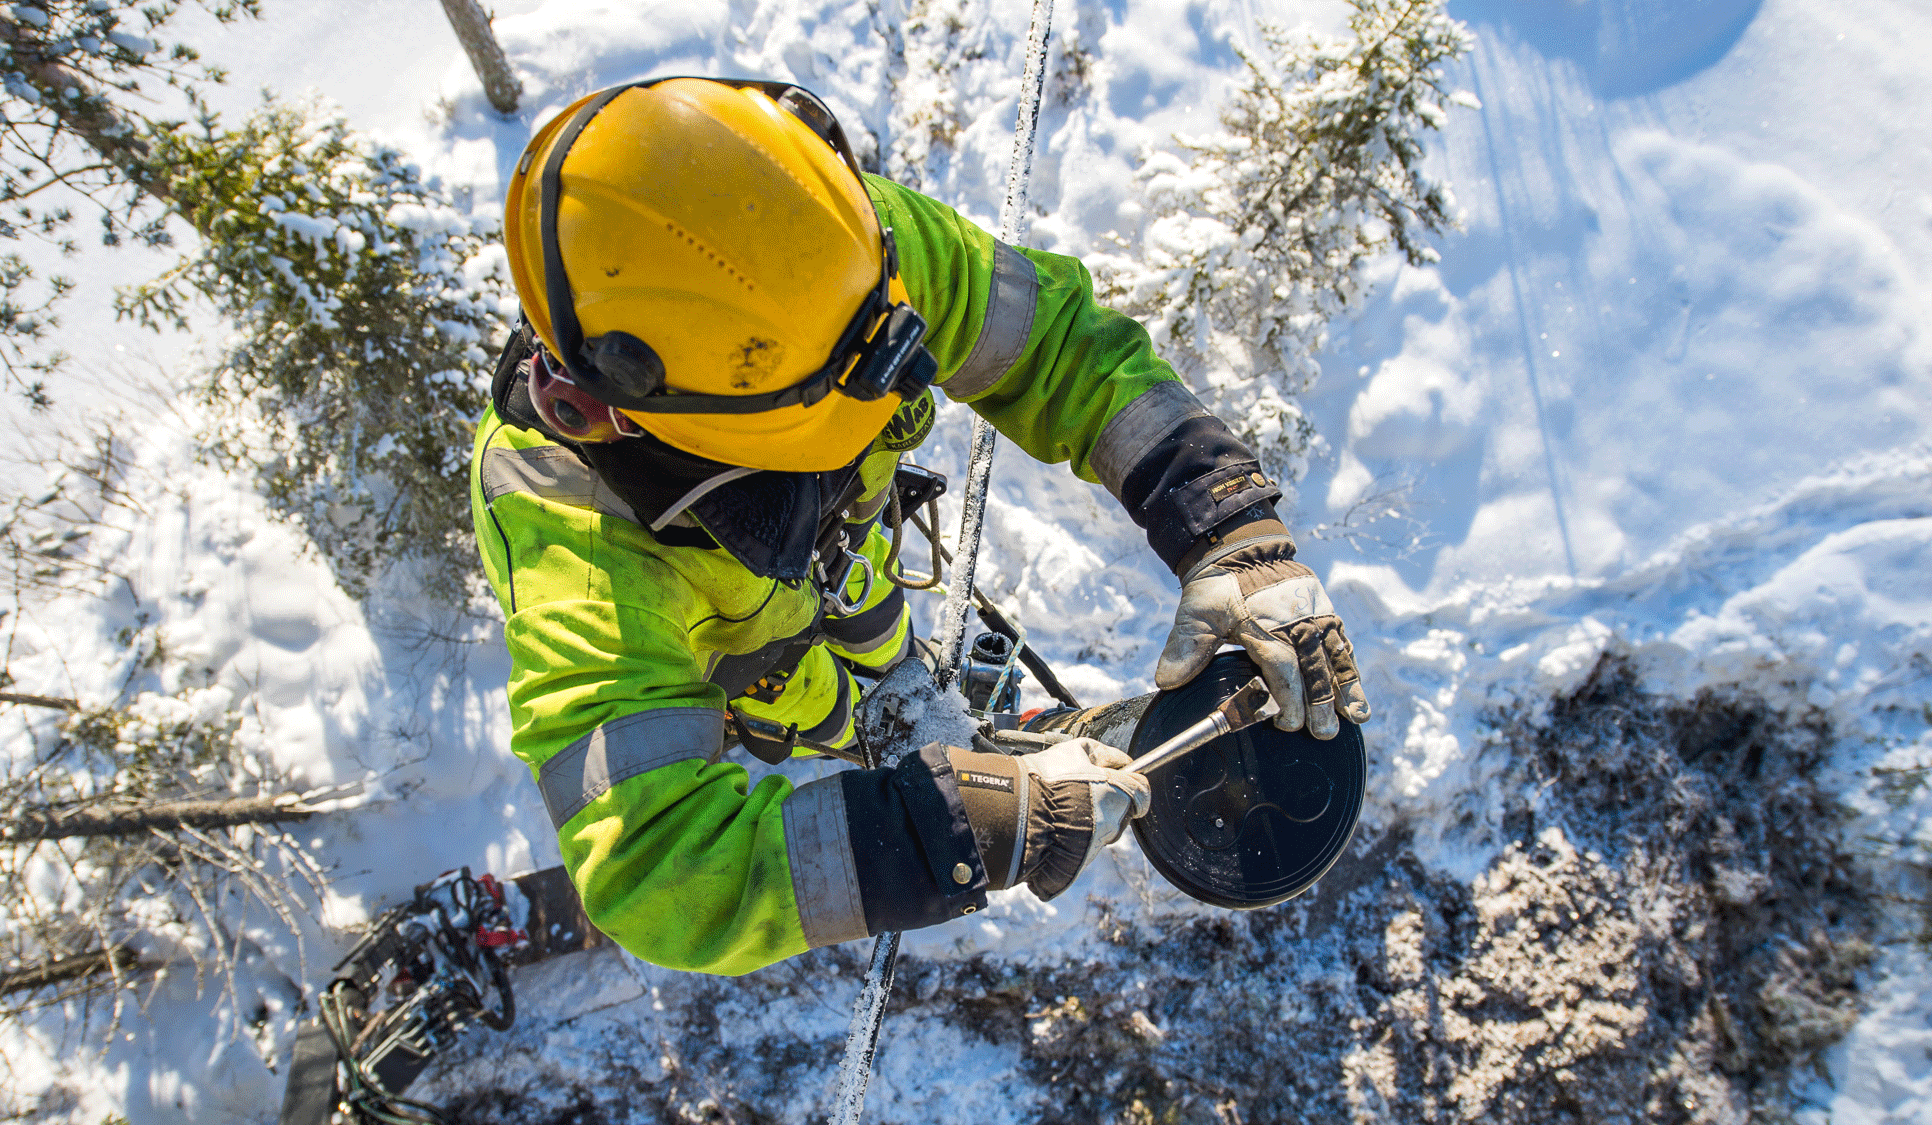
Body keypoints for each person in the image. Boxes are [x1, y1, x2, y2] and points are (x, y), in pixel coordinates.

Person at [469, 77, 1371, 975]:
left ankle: (901, 694)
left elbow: (1054, 342)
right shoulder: (578, 542)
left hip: (853, 559)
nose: (874, 407)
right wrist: (948, 832)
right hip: (759, 664)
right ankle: (868, 730)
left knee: (878, 631)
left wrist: (1229, 527)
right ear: (607, 413)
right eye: (813, 421)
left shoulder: (824, 246)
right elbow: (657, 872)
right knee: (815, 702)